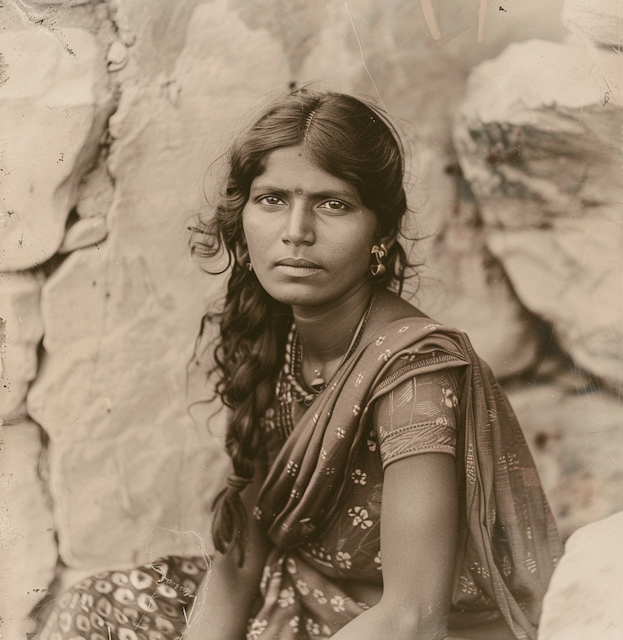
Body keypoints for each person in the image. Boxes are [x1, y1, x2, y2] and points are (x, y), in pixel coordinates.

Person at [38, 90, 562, 640]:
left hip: (398, 630)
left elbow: (413, 616)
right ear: (242, 219)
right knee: (95, 608)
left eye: (333, 203)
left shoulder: (416, 373)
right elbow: (241, 563)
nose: (296, 231)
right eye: (271, 200)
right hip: (293, 600)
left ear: (381, 232)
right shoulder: (274, 335)